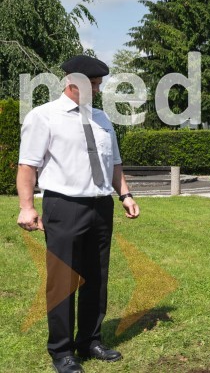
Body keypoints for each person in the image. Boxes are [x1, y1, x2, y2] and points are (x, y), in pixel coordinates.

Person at [17, 55, 140, 373]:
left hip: (101, 206)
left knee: (96, 276)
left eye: (99, 84)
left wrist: (125, 194)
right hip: (64, 205)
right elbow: (27, 165)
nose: (97, 90)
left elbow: (114, 163)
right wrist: (27, 207)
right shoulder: (43, 116)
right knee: (63, 280)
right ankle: (62, 351)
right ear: (72, 82)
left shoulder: (102, 119)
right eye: (93, 85)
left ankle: (90, 340)